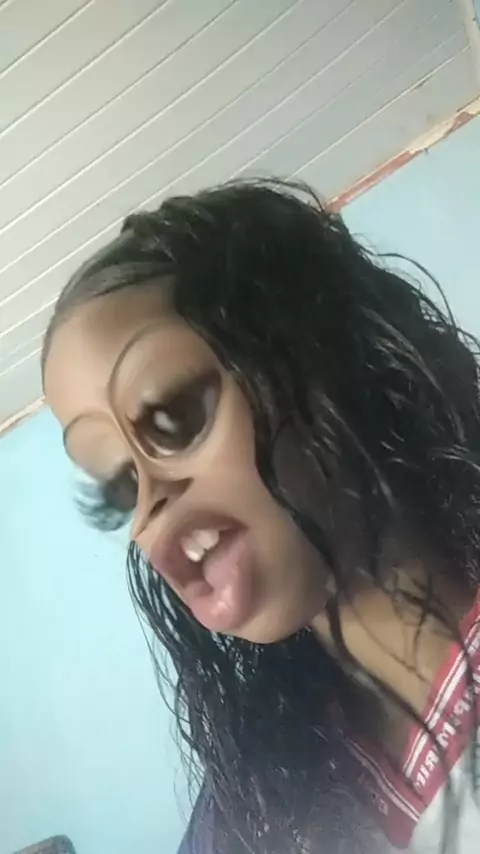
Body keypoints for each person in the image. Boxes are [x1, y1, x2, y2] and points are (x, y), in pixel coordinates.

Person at [42, 180, 480, 854]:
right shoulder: (252, 806)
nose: (149, 507)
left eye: (174, 413)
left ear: (317, 347)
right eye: (121, 482)